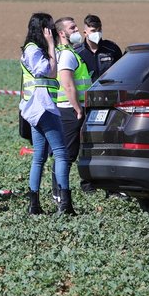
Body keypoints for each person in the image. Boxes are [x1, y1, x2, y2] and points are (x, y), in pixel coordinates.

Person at [19, 12, 75, 216]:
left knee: (39, 158)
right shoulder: (34, 50)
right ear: (42, 29)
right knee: (61, 154)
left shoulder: (31, 49)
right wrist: (51, 45)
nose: (51, 30)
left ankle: (34, 205)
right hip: (44, 108)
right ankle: (65, 204)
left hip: (35, 109)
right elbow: (49, 71)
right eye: (49, 27)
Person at [48, 16, 91, 205]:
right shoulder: (66, 54)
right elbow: (67, 84)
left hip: (66, 109)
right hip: (70, 110)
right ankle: (59, 192)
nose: (76, 31)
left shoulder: (64, 52)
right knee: (66, 154)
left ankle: (58, 191)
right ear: (61, 33)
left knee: (64, 153)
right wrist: (78, 109)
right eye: (72, 28)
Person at [76, 14, 123, 82]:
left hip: (109, 90)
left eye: (99, 30)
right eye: (93, 31)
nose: (97, 33)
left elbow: (122, 71)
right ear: (85, 33)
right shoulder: (77, 52)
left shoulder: (112, 49)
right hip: (87, 91)